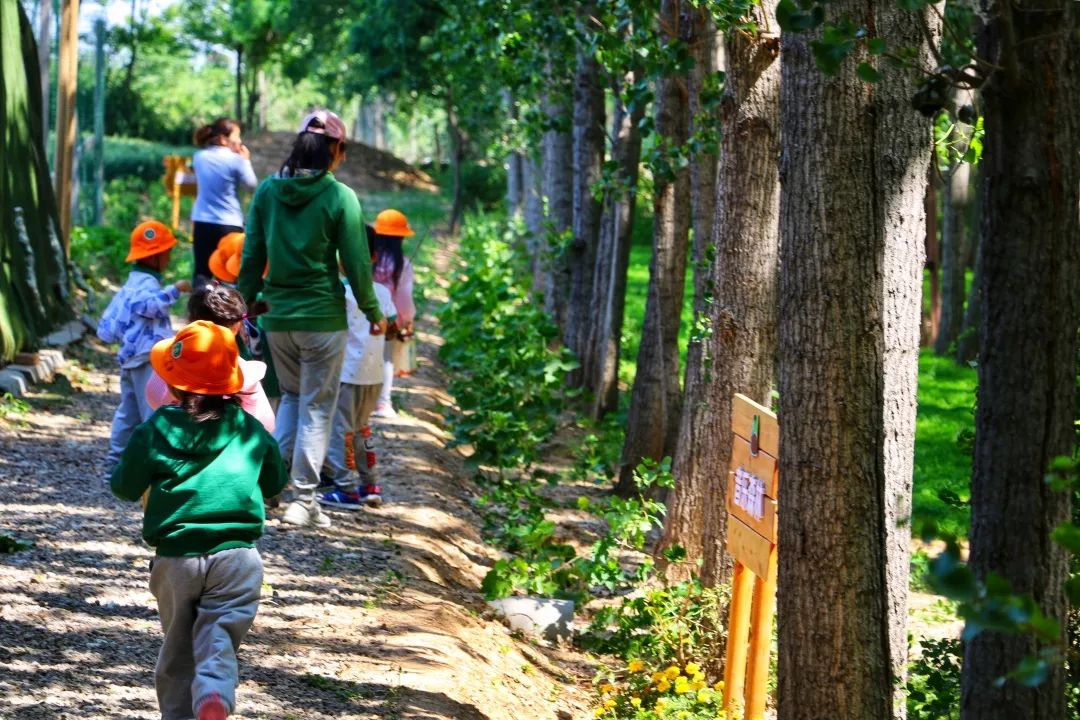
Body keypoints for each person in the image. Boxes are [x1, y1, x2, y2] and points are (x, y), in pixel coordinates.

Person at [110, 320, 288, 720]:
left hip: (176, 557)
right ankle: (213, 691)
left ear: (172, 384)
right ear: (233, 383)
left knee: (177, 647)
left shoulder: (155, 429)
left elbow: (123, 485)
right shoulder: (251, 430)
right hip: (238, 558)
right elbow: (277, 480)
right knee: (219, 635)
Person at [238, 109, 386, 529]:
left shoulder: (268, 192)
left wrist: (238, 308)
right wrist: (374, 313)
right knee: (318, 407)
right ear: (335, 150)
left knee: (292, 399)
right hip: (322, 318)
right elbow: (357, 264)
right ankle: (303, 500)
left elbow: (252, 258)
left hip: (277, 318)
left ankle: (267, 489)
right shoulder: (340, 197)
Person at [97, 220, 191, 468]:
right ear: (155, 256)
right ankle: (153, 466)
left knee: (127, 414)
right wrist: (175, 290)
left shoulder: (133, 281)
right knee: (153, 409)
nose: (170, 257)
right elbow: (145, 306)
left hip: (130, 358)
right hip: (146, 357)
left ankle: (115, 463)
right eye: (167, 252)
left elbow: (109, 324)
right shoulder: (147, 285)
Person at [319, 243, 399, 510]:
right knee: (363, 430)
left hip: (347, 373)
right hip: (374, 374)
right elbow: (392, 330)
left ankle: (346, 488)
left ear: (342, 261)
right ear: (375, 257)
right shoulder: (383, 292)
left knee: (339, 432)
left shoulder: (341, 292)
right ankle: (370, 484)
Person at [144, 282, 275, 433]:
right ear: (237, 326)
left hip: (173, 438)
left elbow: (153, 396)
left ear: (190, 322)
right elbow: (267, 425)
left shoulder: (172, 358)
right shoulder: (244, 375)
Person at [191, 118, 258, 285]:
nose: (240, 141)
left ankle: (199, 309)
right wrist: (246, 161)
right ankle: (226, 310)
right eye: (237, 135)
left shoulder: (199, 157)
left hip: (202, 221)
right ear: (223, 138)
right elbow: (251, 186)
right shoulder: (236, 160)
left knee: (202, 272)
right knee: (228, 275)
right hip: (230, 224)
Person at [369, 209, 417, 418]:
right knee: (386, 358)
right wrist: (407, 320)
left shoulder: (368, 259)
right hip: (389, 321)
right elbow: (404, 299)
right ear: (400, 238)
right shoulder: (402, 264)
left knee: (357, 356)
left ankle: (359, 399)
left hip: (360, 316)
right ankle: (382, 403)